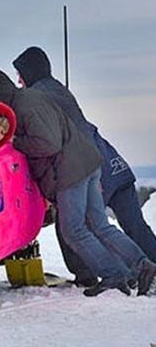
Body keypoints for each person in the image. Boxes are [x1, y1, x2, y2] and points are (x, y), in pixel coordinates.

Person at [0, 65, 156, 296]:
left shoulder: (24, 105)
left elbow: (48, 143)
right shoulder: (31, 98)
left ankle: (113, 274)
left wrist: (16, 143)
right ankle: (141, 266)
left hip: (71, 171)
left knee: (74, 230)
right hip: (86, 163)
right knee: (100, 225)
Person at [12, 46, 156, 286]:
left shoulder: (40, 97)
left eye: (19, 74)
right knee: (133, 225)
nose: (18, 80)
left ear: (29, 72)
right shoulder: (58, 90)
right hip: (115, 164)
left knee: (72, 227)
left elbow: (55, 138)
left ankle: (92, 276)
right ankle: (147, 265)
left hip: (94, 169)